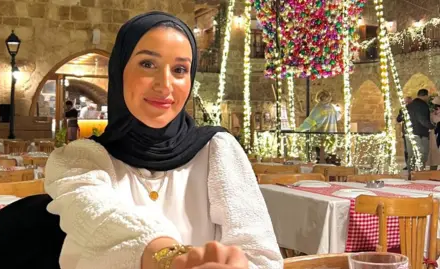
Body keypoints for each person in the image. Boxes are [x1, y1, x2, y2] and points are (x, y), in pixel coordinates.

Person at [45, 11, 282, 269]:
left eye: (180, 70)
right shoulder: (81, 161)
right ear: (120, 70)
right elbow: (98, 217)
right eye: (148, 64)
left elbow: (260, 256)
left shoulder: (217, 151)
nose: (165, 85)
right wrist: (172, 258)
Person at [406, 89, 436, 170]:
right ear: (425, 96)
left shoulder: (409, 105)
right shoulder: (423, 105)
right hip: (420, 134)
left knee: (411, 155)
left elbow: (400, 118)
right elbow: (422, 119)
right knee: (422, 154)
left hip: (408, 133)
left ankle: (410, 173)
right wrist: (432, 126)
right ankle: (420, 173)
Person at [396, 96, 413, 170]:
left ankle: (414, 164)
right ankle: (408, 164)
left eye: (408, 102)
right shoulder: (402, 109)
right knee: (406, 150)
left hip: (414, 131)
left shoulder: (414, 109)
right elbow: (398, 119)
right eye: (405, 102)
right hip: (406, 131)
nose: (406, 103)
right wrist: (403, 116)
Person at [427, 96, 440, 170]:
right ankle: (433, 167)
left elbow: (436, 120)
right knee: (434, 151)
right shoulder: (431, 112)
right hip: (433, 133)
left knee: (435, 151)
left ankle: (434, 167)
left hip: (436, 132)